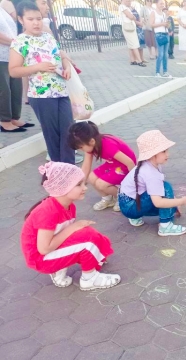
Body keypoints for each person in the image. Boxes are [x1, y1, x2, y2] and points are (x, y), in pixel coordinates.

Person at [21, 161, 121, 291]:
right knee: (87, 239)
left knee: (88, 234)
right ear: (63, 188)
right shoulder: (48, 211)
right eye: (79, 185)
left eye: (83, 183)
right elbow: (44, 249)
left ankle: (60, 270)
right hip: (41, 259)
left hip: (50, 251)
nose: (85, 188)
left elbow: (68, 236)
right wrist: (74, 227)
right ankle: (89, 279)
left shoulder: (68, 205)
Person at [9, 1, 74, 163]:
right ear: (21, 20)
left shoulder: (48, 37)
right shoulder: (20, 42)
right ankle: (59, 171)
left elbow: (60, 56)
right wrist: (38, 67)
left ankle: (70, 169)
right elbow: (14, 70)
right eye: (31, 19)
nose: (36, 23)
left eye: (38, 18)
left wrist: (67, 67)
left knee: (69, 131)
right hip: (41, 95)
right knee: (52, 135)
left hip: (61, 90)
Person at [118, 130, 186, 236]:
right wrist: (180, 201)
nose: (168, 154)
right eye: (164, 151)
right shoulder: (151, 173)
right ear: (152, 154)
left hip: (126, 203)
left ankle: (136, 218)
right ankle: (165, 226)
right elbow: (158, 202)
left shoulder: (148, 164)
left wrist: (173, 204)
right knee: (166, 187)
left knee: (166, 198)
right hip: (131, 208)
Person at [67, 121, 137, 212]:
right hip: (113, 163)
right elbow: (86, 166)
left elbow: (129, 162)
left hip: (125, 166)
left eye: (81, 147)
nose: (81, 150)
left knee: (101, 184)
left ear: (91, 141)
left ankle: (125, 198)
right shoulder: (91, 144)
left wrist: (133, 182)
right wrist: (81, 182)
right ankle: (108, 199)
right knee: (91, 177)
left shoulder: (108, 145)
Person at [0, 5, 26, 133]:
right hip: (0, 57)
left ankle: (14, 117)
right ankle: (4, 121)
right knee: (4, 90)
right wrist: (15, 43)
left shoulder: (2, 9)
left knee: (16, 88)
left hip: (11, 56)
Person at [119, 0, 144, 66]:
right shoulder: (122, 7)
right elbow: (131, 16)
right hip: (129, 28)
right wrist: (133, 17)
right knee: (134, 44)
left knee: (130, 45)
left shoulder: (125, 7)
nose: (129, 2)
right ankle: (139, 61)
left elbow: (131, 16)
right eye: (128, 1)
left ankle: (132, 60)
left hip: (130, 27)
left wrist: (132, 17)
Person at [150, 0, 170, 78]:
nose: (162, 5)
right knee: (160, 54)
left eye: (163, 4)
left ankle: (165, 71)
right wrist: (162, 24)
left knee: (165, 54)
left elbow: (167, 26)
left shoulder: (164, 14)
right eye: (161, 3)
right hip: (159, 34)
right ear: (156, 4)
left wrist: (167, 24)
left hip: (165, 33)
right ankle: (157, 72)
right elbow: (151, 24)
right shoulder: (153, 13)